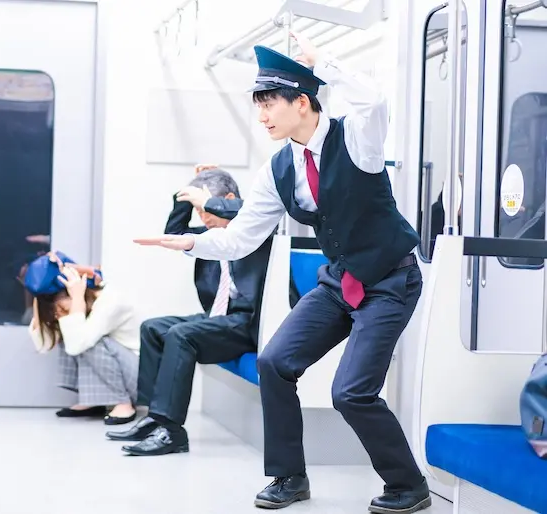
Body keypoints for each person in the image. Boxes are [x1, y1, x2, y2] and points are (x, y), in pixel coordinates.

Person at [135, 32, 431, 514]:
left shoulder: (356, 138)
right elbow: (240, 238)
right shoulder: (278, 169)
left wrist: (324, 62)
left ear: (302, 101)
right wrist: (189, 242)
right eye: (259, 106)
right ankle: (289, 477)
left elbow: (374, 101)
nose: (263, 116)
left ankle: (408, 483)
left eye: (270, 103)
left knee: (351, 392)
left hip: (389, 281)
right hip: (339, 283)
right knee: (275, 362)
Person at [108, 167, 286, 456]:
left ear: (228, 199)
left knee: (180, 335)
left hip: (249, 322)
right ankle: (154, 418)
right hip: (221, 318)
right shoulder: (210, 235)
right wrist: (185, 196)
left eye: (207, 209)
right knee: (154, 328)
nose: (203, 217)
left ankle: (172, 431)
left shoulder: (258, 229)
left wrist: (209, 201)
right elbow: (174, 235)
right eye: (199, 211)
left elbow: (250, 208)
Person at [25, 252, 140, 425]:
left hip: (138, 377)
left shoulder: (110, 301)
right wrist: (37, 296)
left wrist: (77, 298)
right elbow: (44, 344)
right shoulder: (81, 303)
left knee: (81, 338)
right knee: (70, 329)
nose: (56, 311)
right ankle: (94, 400)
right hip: (122, 368)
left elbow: (78, 344)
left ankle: (123, 403)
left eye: (60, 300)